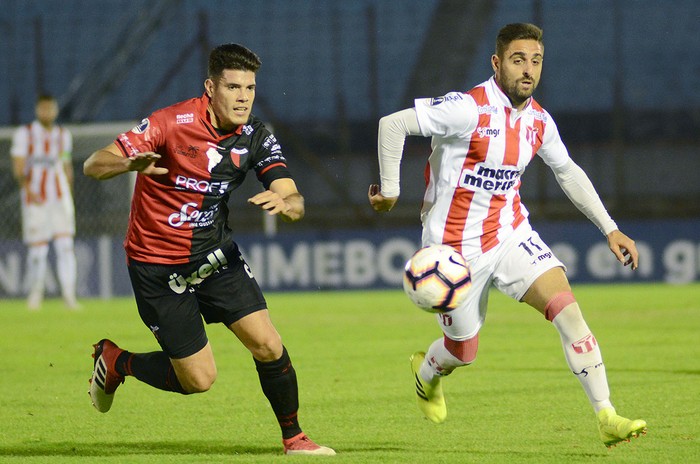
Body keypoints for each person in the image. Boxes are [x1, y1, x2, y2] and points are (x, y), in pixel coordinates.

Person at [368, 23, 647, 448]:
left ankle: (606, 414)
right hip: (452, 254)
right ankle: (427, 373)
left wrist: (610, 228)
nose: (528, 70)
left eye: (535, 61)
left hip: (510, 233)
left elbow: (567, 171)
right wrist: (390, 191)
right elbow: (392, 125)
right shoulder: (467, 109)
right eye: (518, 60)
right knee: (464, 351)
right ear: (497, 63)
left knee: (568, 312)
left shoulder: (538, 121)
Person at [83, 43, 335, 456]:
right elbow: (94, 164)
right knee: (198, 380)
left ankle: (295, 439)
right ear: (210, 88)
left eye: (250, 88)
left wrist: (289, 204)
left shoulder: (255, 135)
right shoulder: (169, 122)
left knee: (268, 345)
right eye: (233, 87)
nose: (243, 97)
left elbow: (291, 194)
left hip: (214, 258)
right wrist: (129, 164)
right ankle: (116, 361)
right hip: (157, 268)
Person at [11, 94, 80, 310]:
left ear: (55, 110)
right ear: (37, 110)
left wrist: (68, 191)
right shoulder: (25, 134)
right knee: (38, 251)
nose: (47, 113)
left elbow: (66, 164)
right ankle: (35, 293)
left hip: (59, 200)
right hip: (36, 199)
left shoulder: (63, 135)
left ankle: (69, 295)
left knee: (65, 247)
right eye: (43, 109)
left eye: (50, 108)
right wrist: (28, 191)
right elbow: (19, 164)